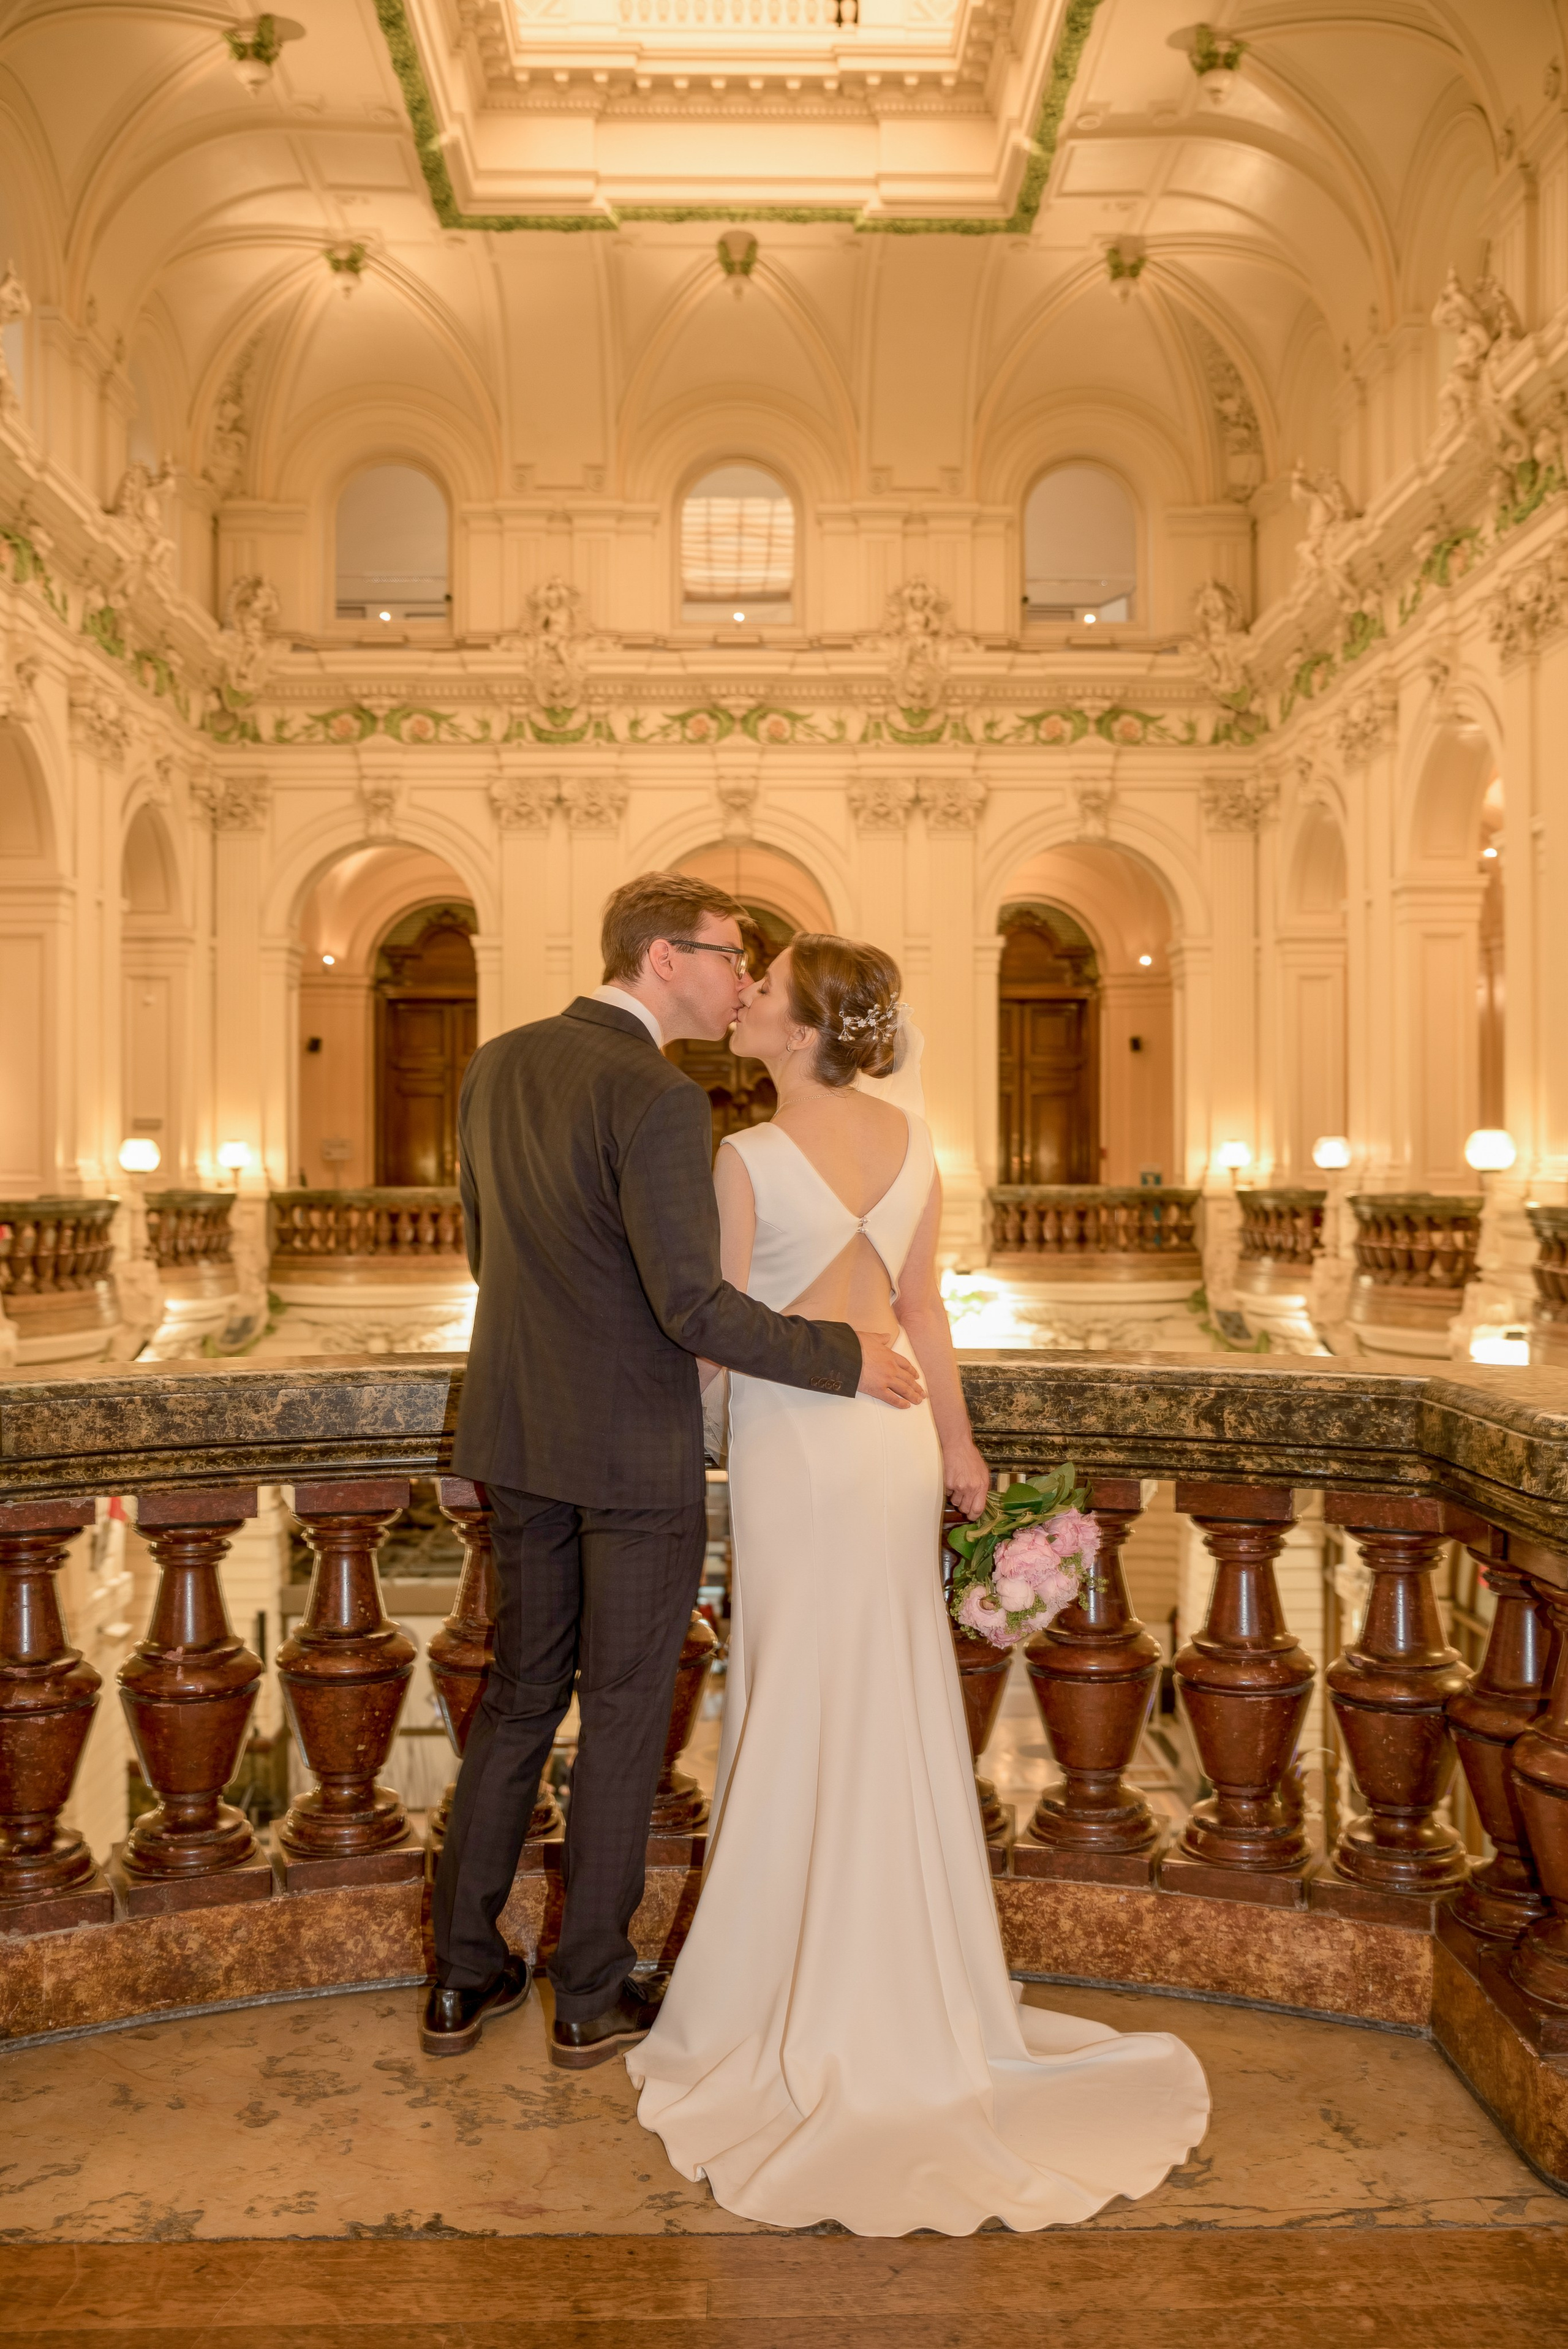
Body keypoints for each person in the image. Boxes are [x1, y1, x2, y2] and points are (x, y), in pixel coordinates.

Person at [627, 933, 1210, 2234]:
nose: (748, 1000)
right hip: (891, 1438)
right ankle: (910, 1993)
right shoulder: (913, 1141)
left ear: (802, 1030)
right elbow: (927, 1309)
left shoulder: (744, 1158)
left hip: (795, 1441)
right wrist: (957, 1444)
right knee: (887, 1695)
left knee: (792, 1698)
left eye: (766, 991)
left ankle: (796, 1992)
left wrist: (685, 1424)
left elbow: (714, 1329)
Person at [421, 875, 925, 2064]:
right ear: (663, 957)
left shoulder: (496, 1062)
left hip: (516, 1437)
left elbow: (486, 1251)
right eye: (728, 957)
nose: (741, 981)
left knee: (519, 1698)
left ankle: (459, 1978)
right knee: (626, 1715)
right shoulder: (655, 1094)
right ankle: (588, 1991)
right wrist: (841, 1355)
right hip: (630, 1451)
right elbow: (693, 1305)